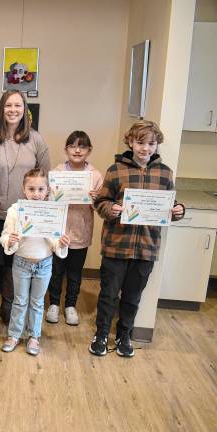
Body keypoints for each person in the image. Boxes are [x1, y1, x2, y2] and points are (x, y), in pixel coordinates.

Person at [89, 120, 185, 358]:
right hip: (116, 246)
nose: (145, 148)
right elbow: (100, 201)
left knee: (133, 297)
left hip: (146, 248)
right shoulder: (116, 170)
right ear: (130, 142)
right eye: (140, 142)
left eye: (151, 143)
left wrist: (178, 211)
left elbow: (169, 207)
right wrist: (109, 209)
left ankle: (125, 335)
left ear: (157, 145)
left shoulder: (165, 174)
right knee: (108, 294)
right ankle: (101, 334)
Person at [0, 90, 51, 324]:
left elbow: (45, 178)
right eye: (8, 105)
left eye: (17, 106)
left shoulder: (36, 140)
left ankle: (8, 305)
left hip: (24, 216)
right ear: (1, 108)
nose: (13, 110)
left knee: (14, 261)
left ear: (24, 109)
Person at [0, 168, 70, 356]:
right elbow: (5, 236)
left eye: (41, 189)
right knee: (20, 300)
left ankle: (34, 336)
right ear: (24, 189)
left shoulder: (53, 212)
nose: (36, 194)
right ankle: (14, 334)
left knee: (38, 302)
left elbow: (57, 243)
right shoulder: (15, 211)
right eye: (31, 189)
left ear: (47, 190)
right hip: (21, 262)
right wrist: (11, 240)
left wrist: (62, 243)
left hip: (44, 264)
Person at [46, 131, 103, 326]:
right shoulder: (56, 173)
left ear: (89, 150)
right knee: (56, 270)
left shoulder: (95, 176)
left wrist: (95, 200)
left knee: (75, 272)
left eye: (82, 146)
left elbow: (100, 206)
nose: (77, 150)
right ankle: (53, 303)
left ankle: (70, 305)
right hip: (59, 231)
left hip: (81, 231)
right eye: (72, 146)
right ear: (66, 149)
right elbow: (47, 201)